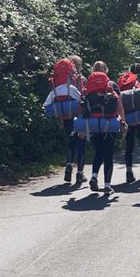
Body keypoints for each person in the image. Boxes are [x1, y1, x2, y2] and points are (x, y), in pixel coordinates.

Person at [84, 61, 127, 195]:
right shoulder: (112, 85)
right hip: (109, 122)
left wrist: (81, 128)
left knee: (98, 152)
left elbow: (83, 105)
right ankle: (107, 185)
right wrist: (123, 122)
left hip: (93, 123)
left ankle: (94, 176)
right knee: (108, 154)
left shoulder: (88, 86)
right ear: (106, 70)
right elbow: (119, 105)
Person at [62, 55, 87, 185]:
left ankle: (68, 165)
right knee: (81, 144)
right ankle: (79, 174)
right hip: (80, 116)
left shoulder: (63, 81)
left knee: (71, 142)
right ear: (80, 65)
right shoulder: (82, 79)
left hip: (66, 115)